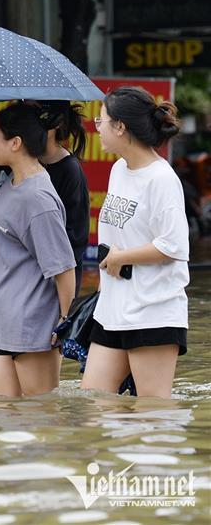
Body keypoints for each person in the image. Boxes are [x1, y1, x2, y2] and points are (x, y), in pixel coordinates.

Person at [0, 103, 77, 396]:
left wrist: (63, 324)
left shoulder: (38, 197)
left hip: (34, 325)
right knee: (3, 416)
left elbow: (63, 268)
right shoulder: (10, 182)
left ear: (16, 142)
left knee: (41, 419)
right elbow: (14, 237)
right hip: (5, 321)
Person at [81, 87, 189, 398]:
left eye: (101, 120)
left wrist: (121, 258)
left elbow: (174, 246)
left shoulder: (161, 179)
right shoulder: (119, 170)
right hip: (113, 307)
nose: (96, 126)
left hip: (154, 309)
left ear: (120, 127)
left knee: (152, 412)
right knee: (95, 403)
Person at [0, 101, 90, 294]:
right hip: (11, 285)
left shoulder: (68, 172)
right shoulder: (12, 161)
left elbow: (64, 248)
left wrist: (64, 316)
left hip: (46, 289)